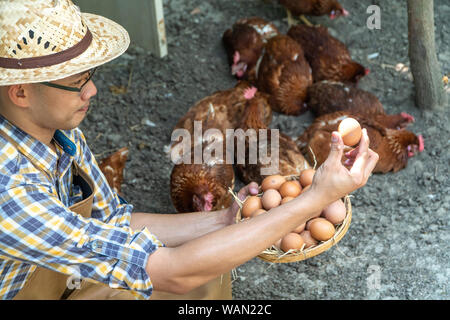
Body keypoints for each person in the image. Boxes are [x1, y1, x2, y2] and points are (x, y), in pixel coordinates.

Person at [0, 0, 379, 300]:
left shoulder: (55, 133)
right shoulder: (9, 189)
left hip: (64, 276)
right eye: (77, 82)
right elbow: (172, 271)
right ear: (20, 92)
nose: (93, 91)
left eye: (91, 77)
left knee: (207, 278)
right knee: (189, 277)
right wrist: (313, 201)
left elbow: (110, 222)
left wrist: (225, 220)